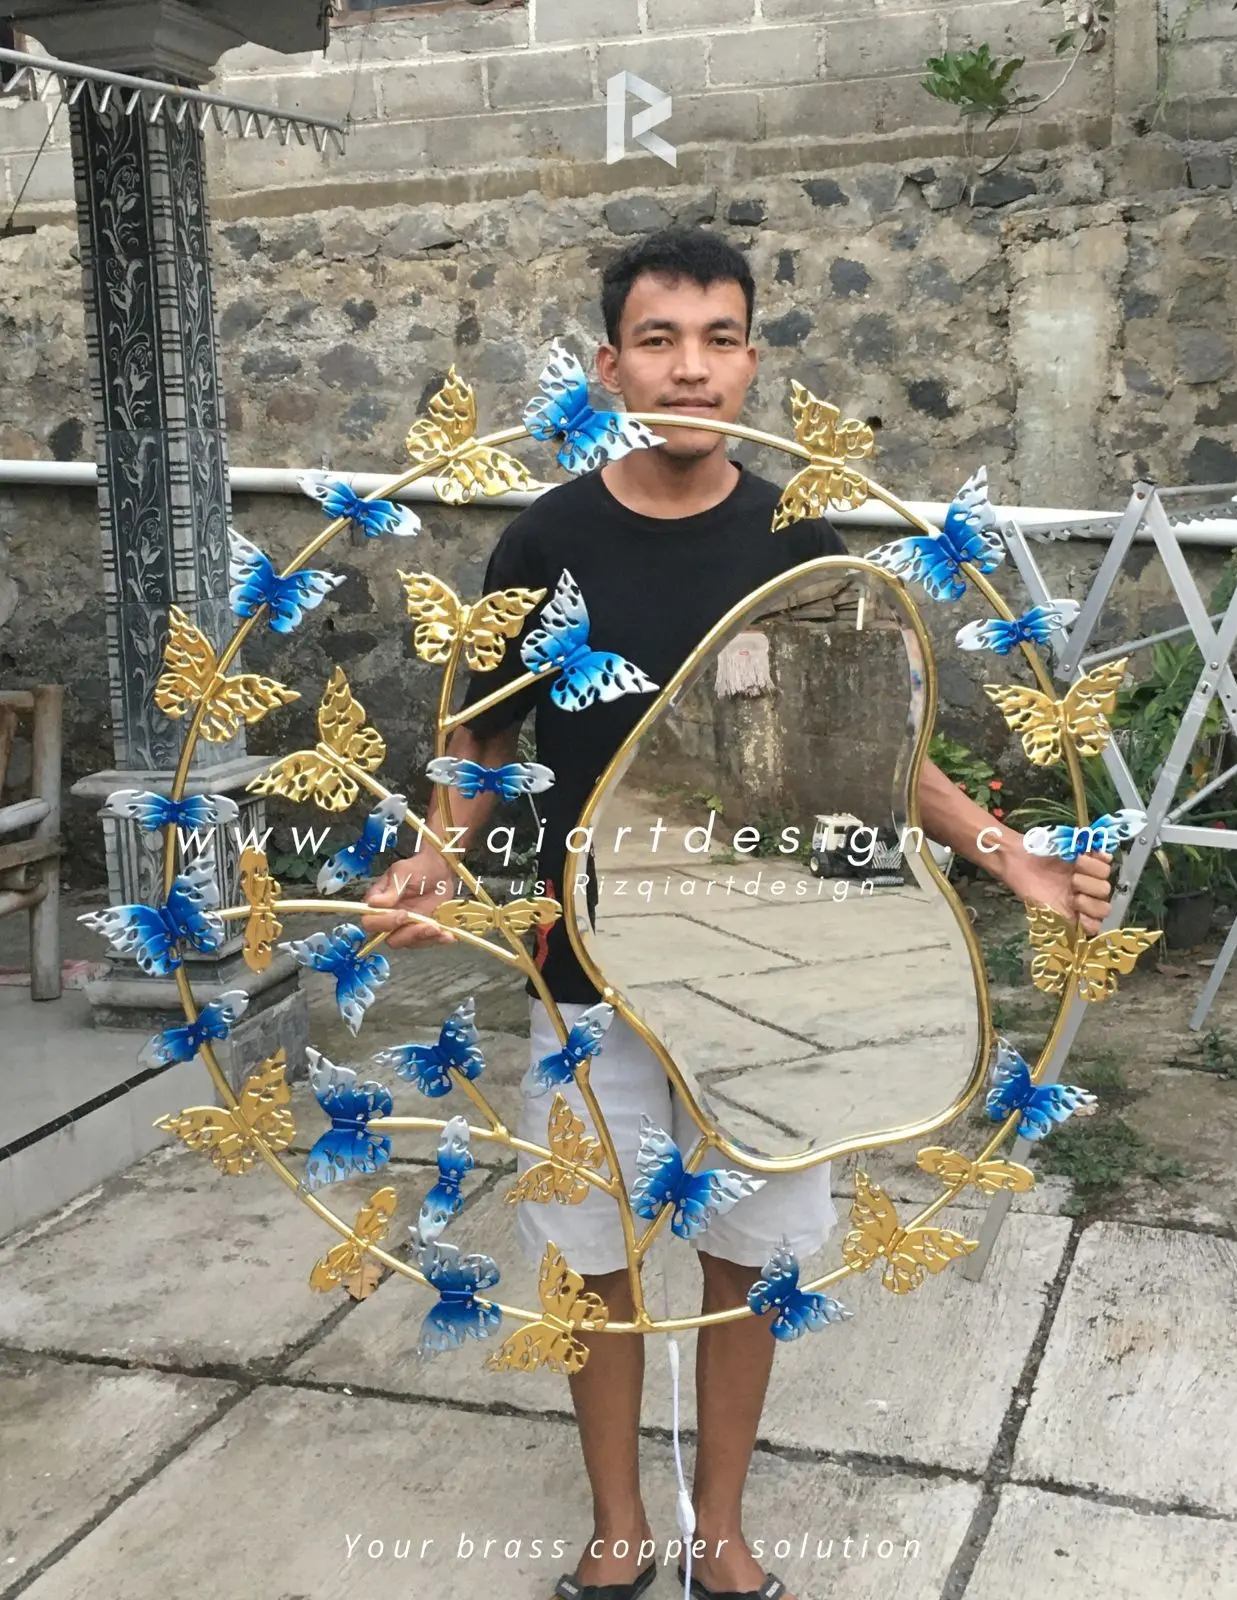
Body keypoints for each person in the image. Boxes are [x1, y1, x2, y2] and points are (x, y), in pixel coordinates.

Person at [364, 227, 1115, 1600]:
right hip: (585, 969)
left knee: (747, 1254)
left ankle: (719, 1527)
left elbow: (877, 746)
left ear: (752, 363)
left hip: (771, 969)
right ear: (609, 366)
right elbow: (481, 740)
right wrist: (432, 860)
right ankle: (618, 1525)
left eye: (718, 340)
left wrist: (1008, 855)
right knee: (591, 1258)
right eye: (659, 340)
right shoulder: (543, 541)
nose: (691, 368)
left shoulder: (794, 540)